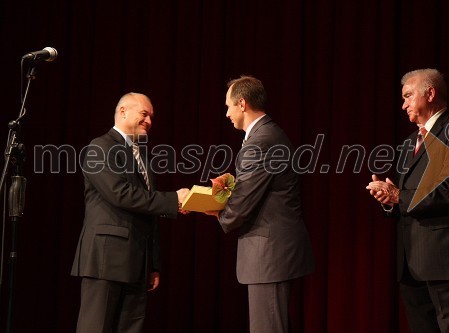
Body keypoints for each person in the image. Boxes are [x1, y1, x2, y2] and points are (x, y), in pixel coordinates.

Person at [366, 69, 449, 332]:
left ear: (430, 94)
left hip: (446, 260)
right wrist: (388, 200)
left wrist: (400, 196)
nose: (403, 104)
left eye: (408, 96)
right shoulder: (410, 142)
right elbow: (405, 198)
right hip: (412, 263)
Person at [71, 92, 190, 333]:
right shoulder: (100, 147)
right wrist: (173, 200)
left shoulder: (142, 156)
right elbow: (120, 194)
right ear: (123, 111)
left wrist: (153, 263)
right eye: (144, 114)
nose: (149, 121)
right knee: (97, 327)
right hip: (106, 260)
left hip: (138, 262)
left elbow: (148, 211)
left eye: (152, 117)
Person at [206, 76, 315, 333]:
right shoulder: (267, 134)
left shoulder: (261, 141)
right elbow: (256, 187)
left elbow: (243, 202)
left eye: (228, 106)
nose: (227, 114)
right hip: (273, 251)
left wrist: (216, 211)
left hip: (270, 254)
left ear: (242, 104)